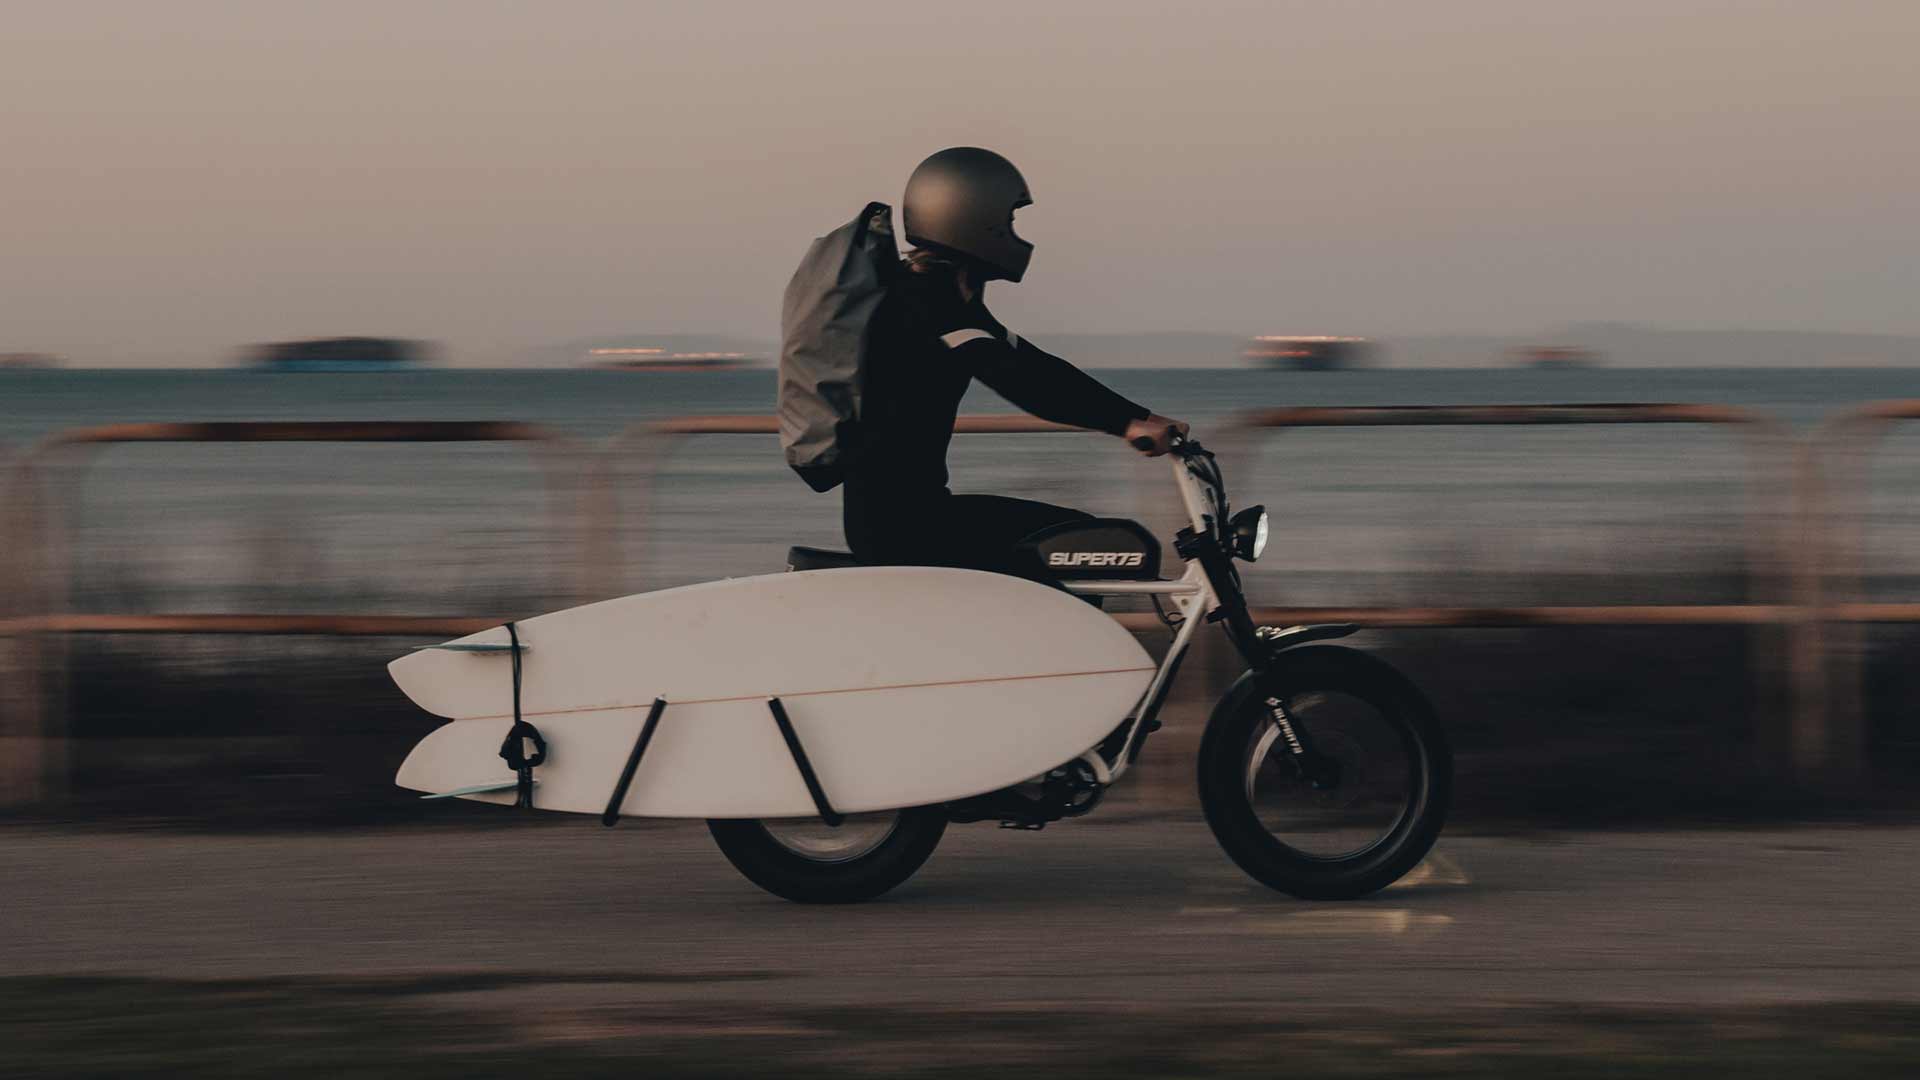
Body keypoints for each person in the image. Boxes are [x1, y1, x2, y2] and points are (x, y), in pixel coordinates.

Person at [841, 147, 1189, 580]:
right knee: (1089, 545)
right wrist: (1125, 423)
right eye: (1008, 221)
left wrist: (1138, 416)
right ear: (970, 219)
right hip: (900, 527)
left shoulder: (946, 299)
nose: (1013, 234)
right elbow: (1019, 381)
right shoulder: (923, 303)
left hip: (914, 514)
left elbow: (1034, 364)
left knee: (1086, 540)